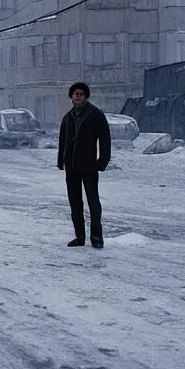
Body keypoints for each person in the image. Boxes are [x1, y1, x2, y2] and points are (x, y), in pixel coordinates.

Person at [57, 83, 111, 249]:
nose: (78, 96)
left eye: (81, 94)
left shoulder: (95, 115)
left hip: (89, 166)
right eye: (75, 94)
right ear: (71, 97)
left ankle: (97, 238)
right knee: (75, 203)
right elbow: (62, 141)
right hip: (71, 167)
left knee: (93, 203)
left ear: (86, 97)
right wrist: (61, 160)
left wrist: (102, 161)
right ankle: (79, 237)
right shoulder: (68, 117)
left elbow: (105, 139)